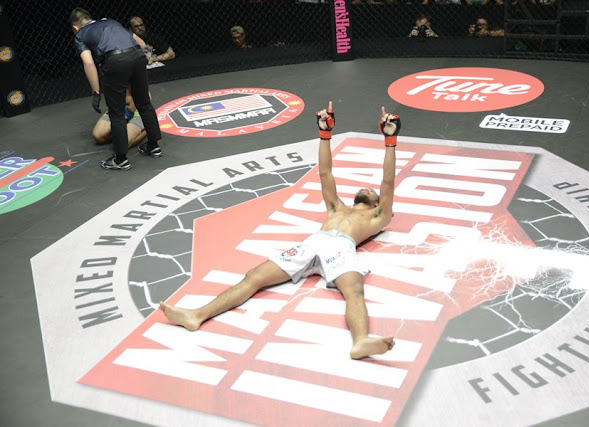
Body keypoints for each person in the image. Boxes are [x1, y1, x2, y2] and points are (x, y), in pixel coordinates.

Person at [160, 102, 401, 360]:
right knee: (254, 276)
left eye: (372, 192)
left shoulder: (379, 216)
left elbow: (387, 181)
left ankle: (361, 340)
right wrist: (324, 134)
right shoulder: (336, 208)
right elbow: (325, 173)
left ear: (377, 203)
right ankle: (196, 315)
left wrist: (390, 140)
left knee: (354, 290)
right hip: (313, 242)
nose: (367, 188)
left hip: (342, 247)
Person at [70, 8, 163, 170]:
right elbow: (142, 44)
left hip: (115, 60)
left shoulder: (80, 35)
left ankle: (120, 159)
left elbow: (89, 63)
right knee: (144, 104)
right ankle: (153, 146)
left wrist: (96, 92)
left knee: (116, 112)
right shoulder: (110, 21)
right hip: (137, 55)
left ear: (75, 28)